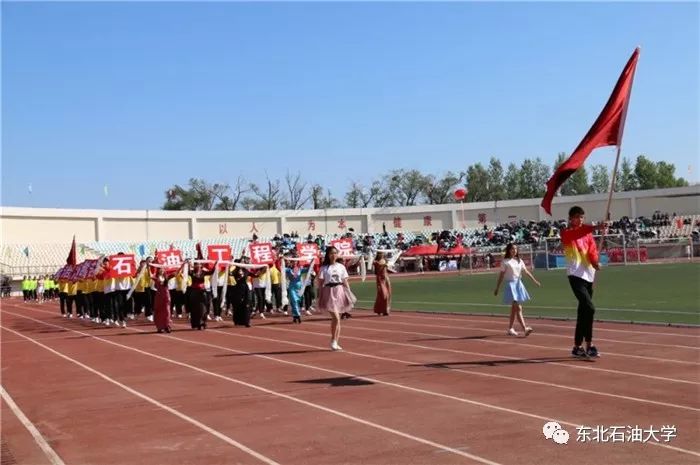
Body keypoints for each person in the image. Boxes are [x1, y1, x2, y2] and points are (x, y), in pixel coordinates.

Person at [561, 206, 601, 358]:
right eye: (577, 217)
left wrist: (595, 262)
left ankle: (583, 346)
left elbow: (592, 251)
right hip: (575, 276)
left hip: (589, 276)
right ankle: (584, 345)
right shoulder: (566, 232)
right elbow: (578, 233)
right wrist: (597, 227)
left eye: (582, 217)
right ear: (571, 218)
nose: (580, 219)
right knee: (589, 308)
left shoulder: (588, 234)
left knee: (583, 312)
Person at [493, 243, 540, 336]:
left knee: (514, 309)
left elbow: (526, 271)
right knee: (518, 308)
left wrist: (535, 280)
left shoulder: (519, 261)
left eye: (515, 249)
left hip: (519, 285)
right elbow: (501, 275)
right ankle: (525, 328)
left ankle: (510, 328)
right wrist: (497, 288)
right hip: (511, 285)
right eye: (512, 249)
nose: (514, 250)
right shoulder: (505, 262)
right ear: (509, 250)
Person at [316, 246, 356, 351]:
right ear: (328, 255)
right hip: (328, 292)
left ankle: (335, 341)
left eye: (335, 253)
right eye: (331, 253)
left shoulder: (341, 267)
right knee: (336, 318)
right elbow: (320, 283)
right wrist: (319, 295)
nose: (333, 255)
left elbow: (345, 281)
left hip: (339, 291)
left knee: (338, 319)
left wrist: (349, 292)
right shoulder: (324, 268)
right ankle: (333, 341)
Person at [151, 267, 175, 333]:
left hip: (166, 296)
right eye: (160, 269)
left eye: (162, 269)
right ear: (158, 270)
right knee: (159, 311)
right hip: (159, 296)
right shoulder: (156, 278)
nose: (161, 270)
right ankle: (160, 327)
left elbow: (176, 273)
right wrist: (147, 266)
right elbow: (150, 275)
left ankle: (167, 326)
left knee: (167, 311)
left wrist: (183, 265)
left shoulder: (167, 277)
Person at [373, 252, 393, 316]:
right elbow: (378, 270)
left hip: (386, 278)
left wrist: (391, 270)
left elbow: (386, 269)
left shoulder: (385, 260)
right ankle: (379, 309)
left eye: (382, 254)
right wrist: (384, 265)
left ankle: (385, 310)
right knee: (383, 294)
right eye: (380, 254)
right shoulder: (375, 262)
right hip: (380, 279)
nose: (382, 255)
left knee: (388, 294)